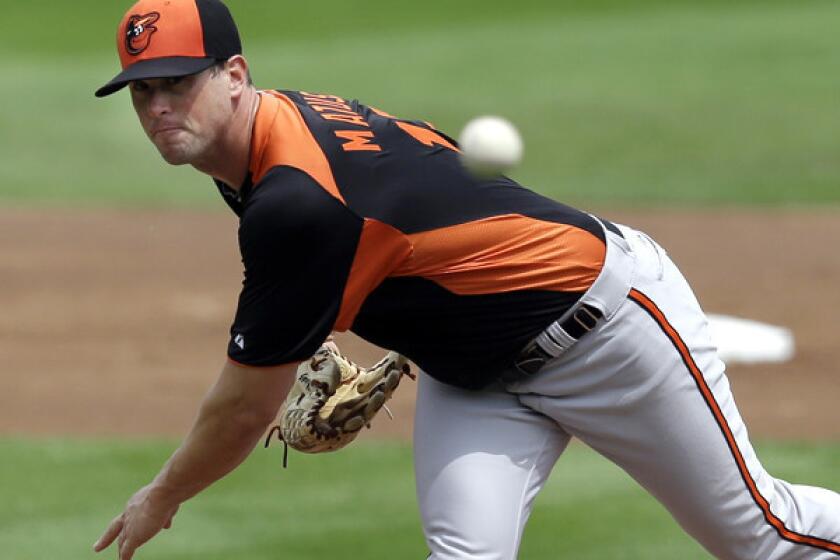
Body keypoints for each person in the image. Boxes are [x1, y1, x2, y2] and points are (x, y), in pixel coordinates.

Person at [93, 1, 840, 559]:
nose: (159, 108)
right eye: (142, 92)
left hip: (605, 330)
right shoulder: (276, 125)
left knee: (758, 534)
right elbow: (427, 177)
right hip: (473, 370)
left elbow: (244, 408)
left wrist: (163, 497)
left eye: (177, 83)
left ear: (234, 76)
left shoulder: (292, 199)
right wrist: (441, 307)